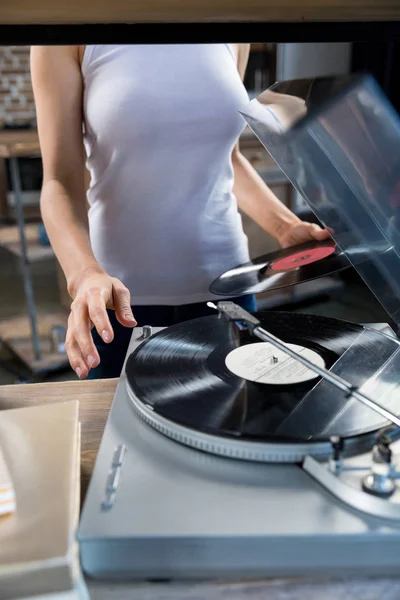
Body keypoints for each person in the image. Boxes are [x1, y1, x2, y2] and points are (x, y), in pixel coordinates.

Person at [31, 44, 329, 380]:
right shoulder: (68, 30)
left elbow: (225, 157)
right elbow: (59, 181)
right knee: (114, 429)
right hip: (117, 301)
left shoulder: (231, 23)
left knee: (234, 424)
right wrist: (84, 274)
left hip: (228, 290)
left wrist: (284, 226)